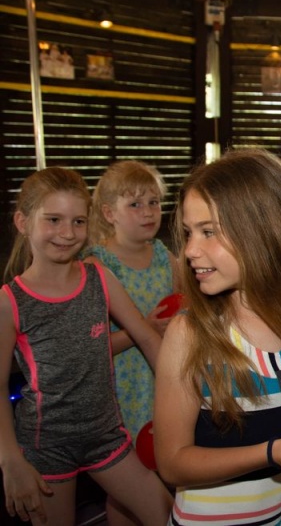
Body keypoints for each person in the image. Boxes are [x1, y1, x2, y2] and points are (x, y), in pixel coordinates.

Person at [154, 149, 281, 525]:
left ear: (264, 231)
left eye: (208, 232)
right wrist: (272, 453)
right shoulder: (189, 335)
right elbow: (172, 463)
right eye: (189, 232)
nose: (189, 250)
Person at [0, 167, 172, 525]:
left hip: (106, 435)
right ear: (22, 222)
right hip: (47, 444)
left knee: (168, 514)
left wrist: (188, 396)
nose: (67, 233)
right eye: (53, 220)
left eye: (78, 221)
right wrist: (10, 459)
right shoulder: (9, 301)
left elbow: (145, 336)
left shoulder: (99, 277)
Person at [84, 160, 180, 525]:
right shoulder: (96, 265)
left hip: (164, 379)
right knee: (128, 486)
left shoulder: (165, 256)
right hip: (122, 389)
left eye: (154, 202)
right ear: (109, 213)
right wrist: (144, 329)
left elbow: (188, 306)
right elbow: (90, 347)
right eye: (135, 204)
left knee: (165, 466)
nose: (149, 212)